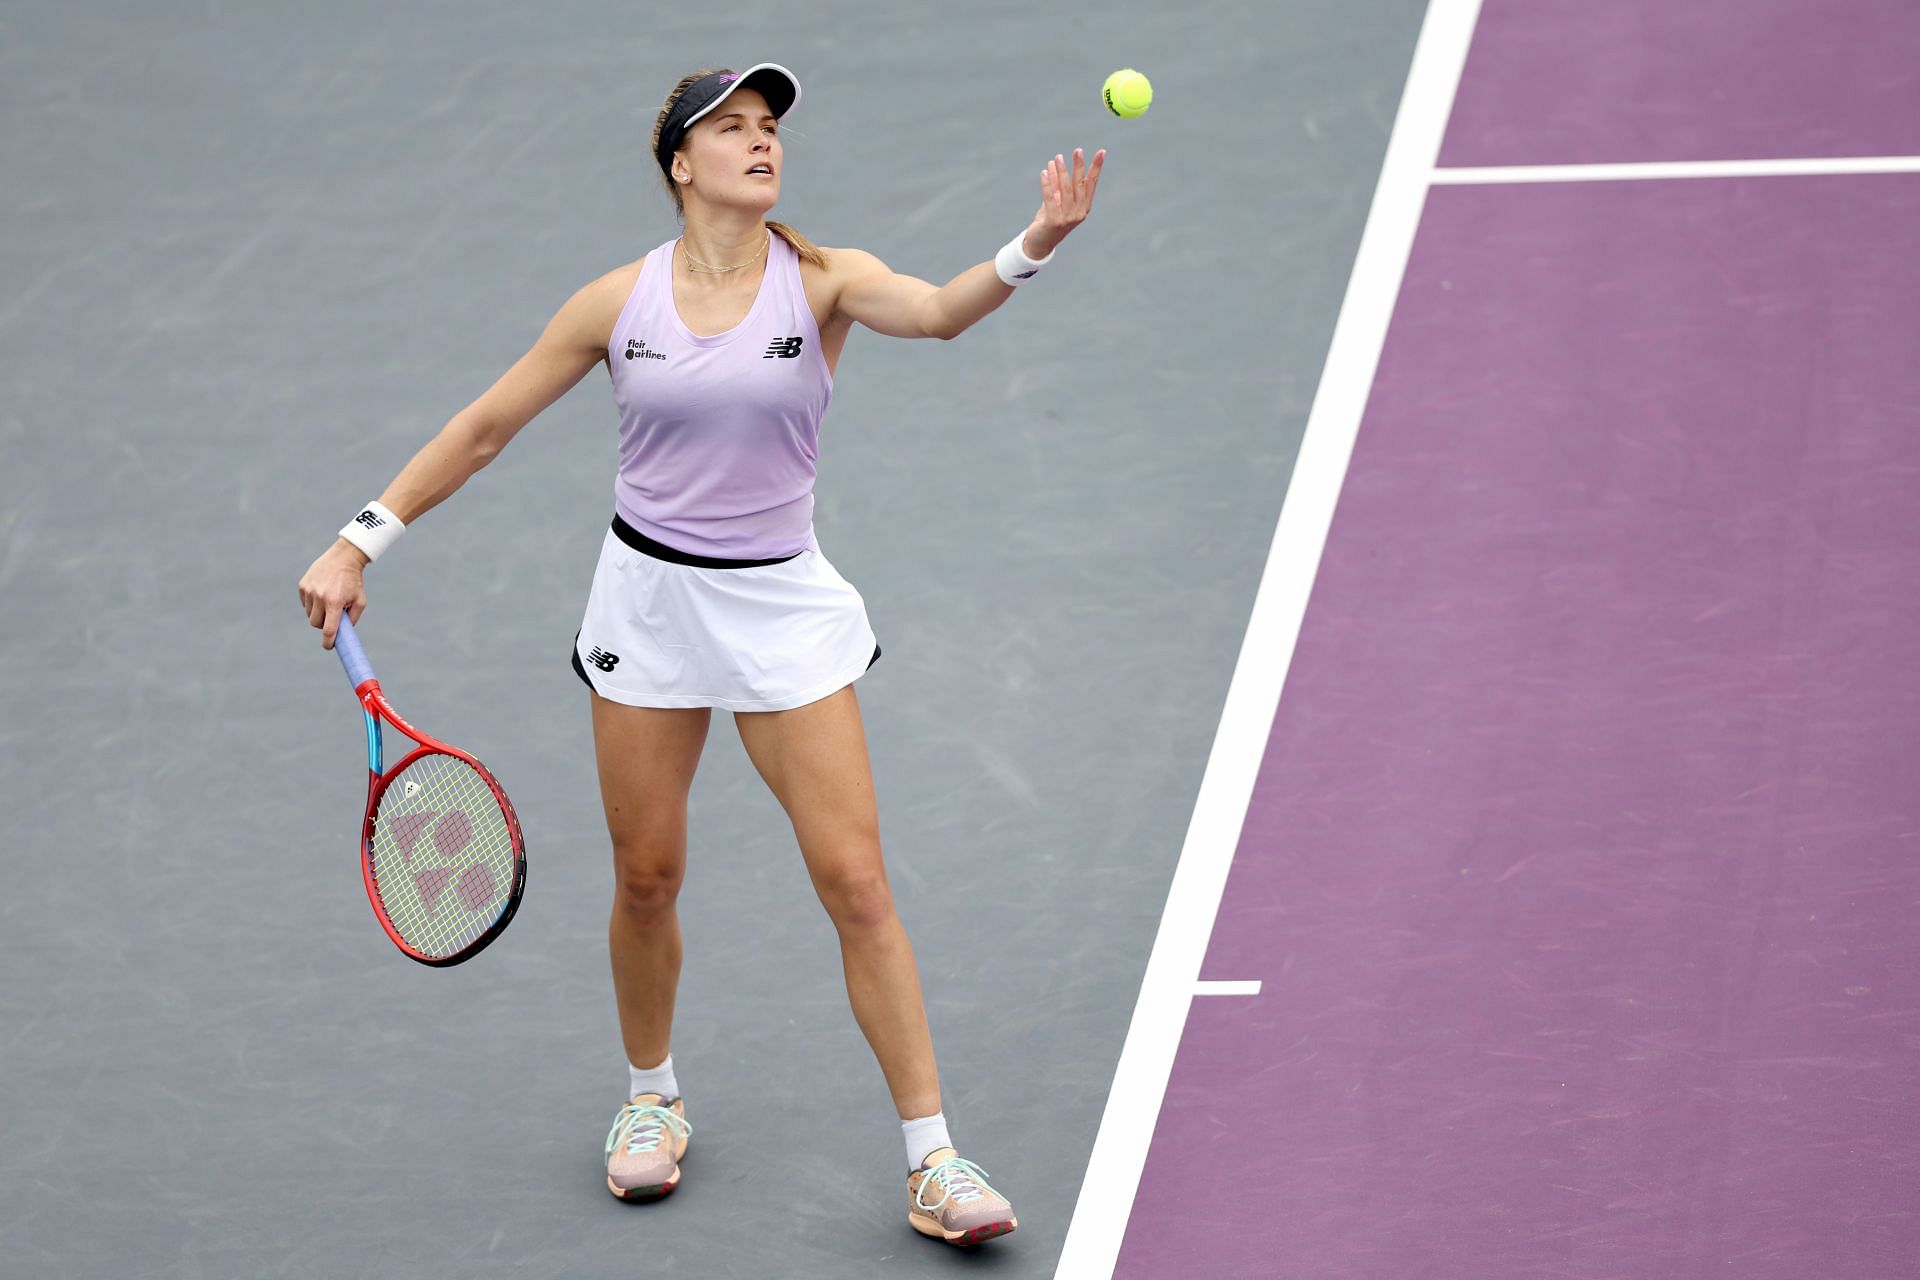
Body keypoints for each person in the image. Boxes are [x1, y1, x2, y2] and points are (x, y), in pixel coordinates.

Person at [297, 61, 1104, 1247]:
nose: (760, 142)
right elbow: (484, 428)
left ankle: (935, 1162)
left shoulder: (824, 281)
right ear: (682, 162)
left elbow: (936, 311)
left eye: (769, 126)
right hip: (650, 610)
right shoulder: (617, 301)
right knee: (647, 876)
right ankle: (650, 1097)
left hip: (783, 612)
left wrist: (1035, 239)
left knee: (858, 884)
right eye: (732, 128)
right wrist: (360, 537)